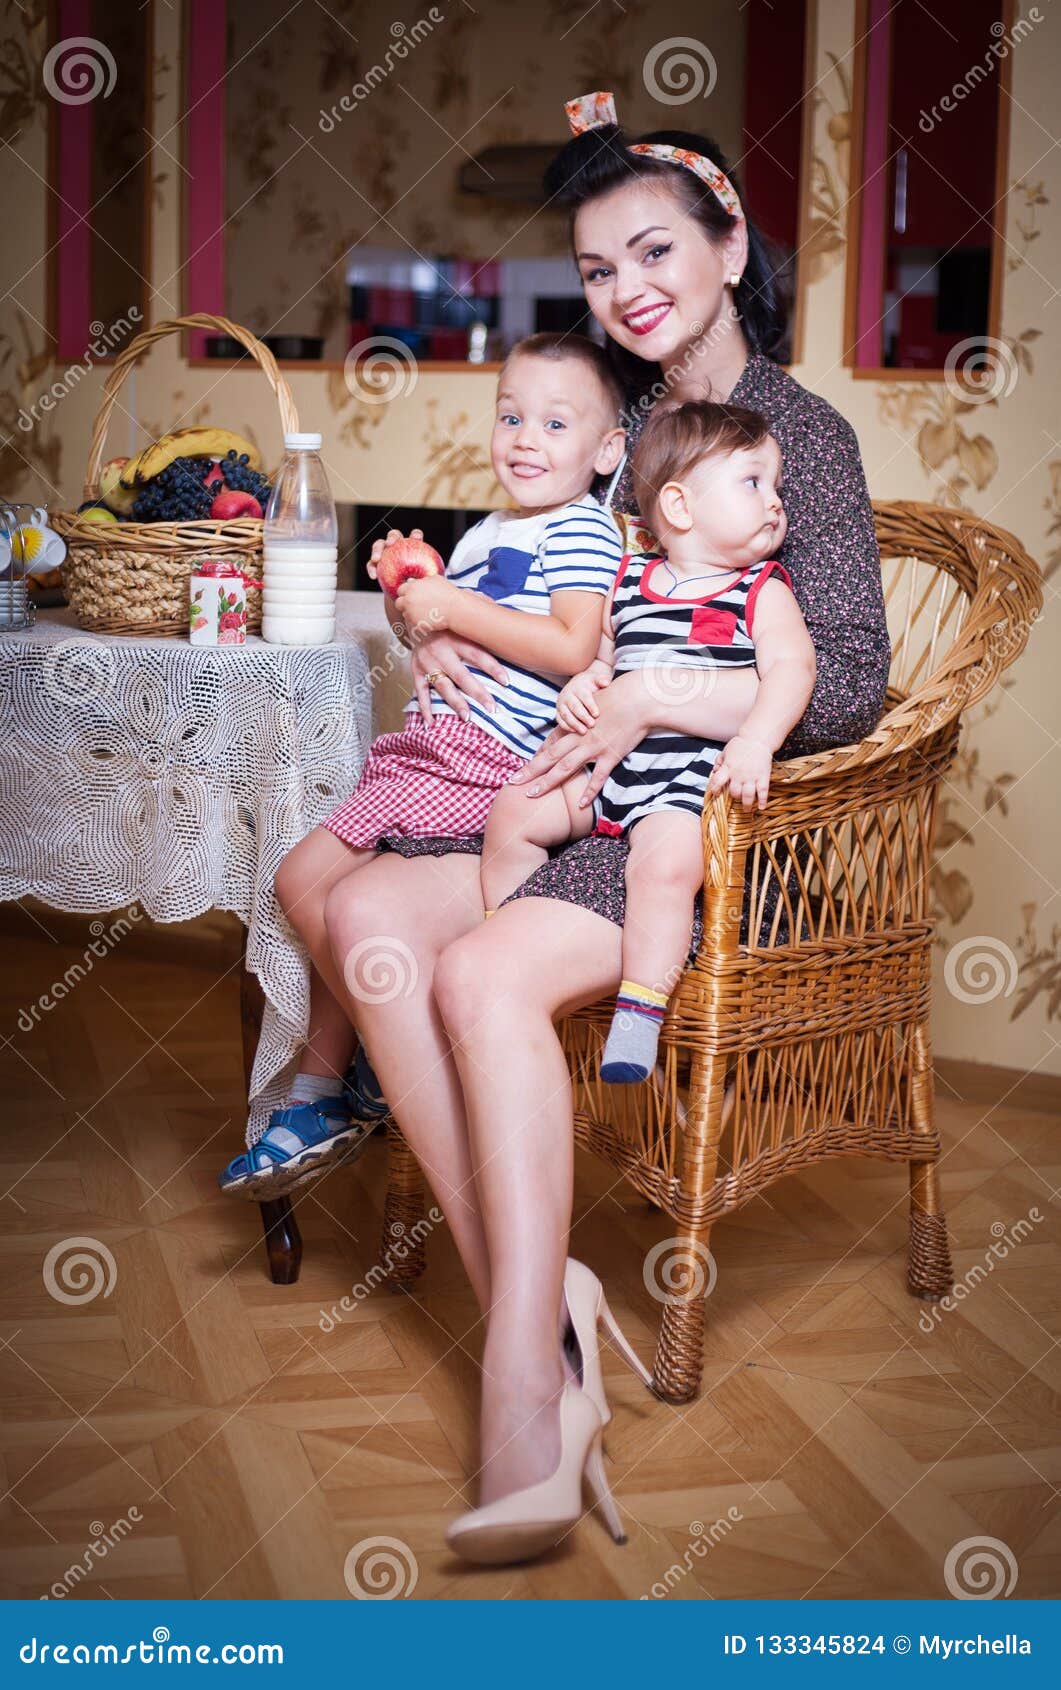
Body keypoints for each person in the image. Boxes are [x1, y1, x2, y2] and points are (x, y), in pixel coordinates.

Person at [260, 88, 891, 1564]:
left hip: (689, 827)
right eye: (600, 269)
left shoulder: (797, 432)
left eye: (655, 251)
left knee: (470, 974)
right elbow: (550, 601)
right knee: (358, 924)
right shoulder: (618, 421)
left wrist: (664, 693)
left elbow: (848, 674)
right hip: (551, 797)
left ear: (731, 242)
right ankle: (548, 1320)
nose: (628, 291)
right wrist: (449, 638)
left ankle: (519, 1403)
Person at [218, 332, 625, 1197]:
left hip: (483, 765)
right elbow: (452, 633)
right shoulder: (490, 529)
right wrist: (418, 600)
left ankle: (329, 1087)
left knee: (312, 887)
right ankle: (353, 1077)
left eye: (556, 423)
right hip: (424, 753)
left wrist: (453, 604)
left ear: (607, 452)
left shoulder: (583, 528)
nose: (525, 438)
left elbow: (571, 643)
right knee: (299, 884)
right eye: (511, 416)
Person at [480, 399, 816, 1084]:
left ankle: (640, 1013)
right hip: (612, 767)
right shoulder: (630, 579)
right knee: (514, 809)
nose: (775, 503)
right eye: (753, 483)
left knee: (661, 870)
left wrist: (756, 740)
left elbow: (793, 669)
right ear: (680, 507)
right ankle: (500, 924)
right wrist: (584, 683)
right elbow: (602, 659)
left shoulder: (759, 590)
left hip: (688, 777)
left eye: (775, 486)